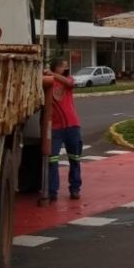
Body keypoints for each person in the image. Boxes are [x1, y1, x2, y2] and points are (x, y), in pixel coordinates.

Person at [44, 58, 82, 203]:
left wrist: (53, 75)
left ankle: (75, 189)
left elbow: (70, 83)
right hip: (55, 128)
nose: (66, 69)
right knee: (52, 160)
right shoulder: (48, 82)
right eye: (62, 66)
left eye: (66, 67)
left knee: (75, 159)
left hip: (72, 126)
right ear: (55, 67)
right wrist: (49, 75)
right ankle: (52, 191)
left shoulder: (67, 80)